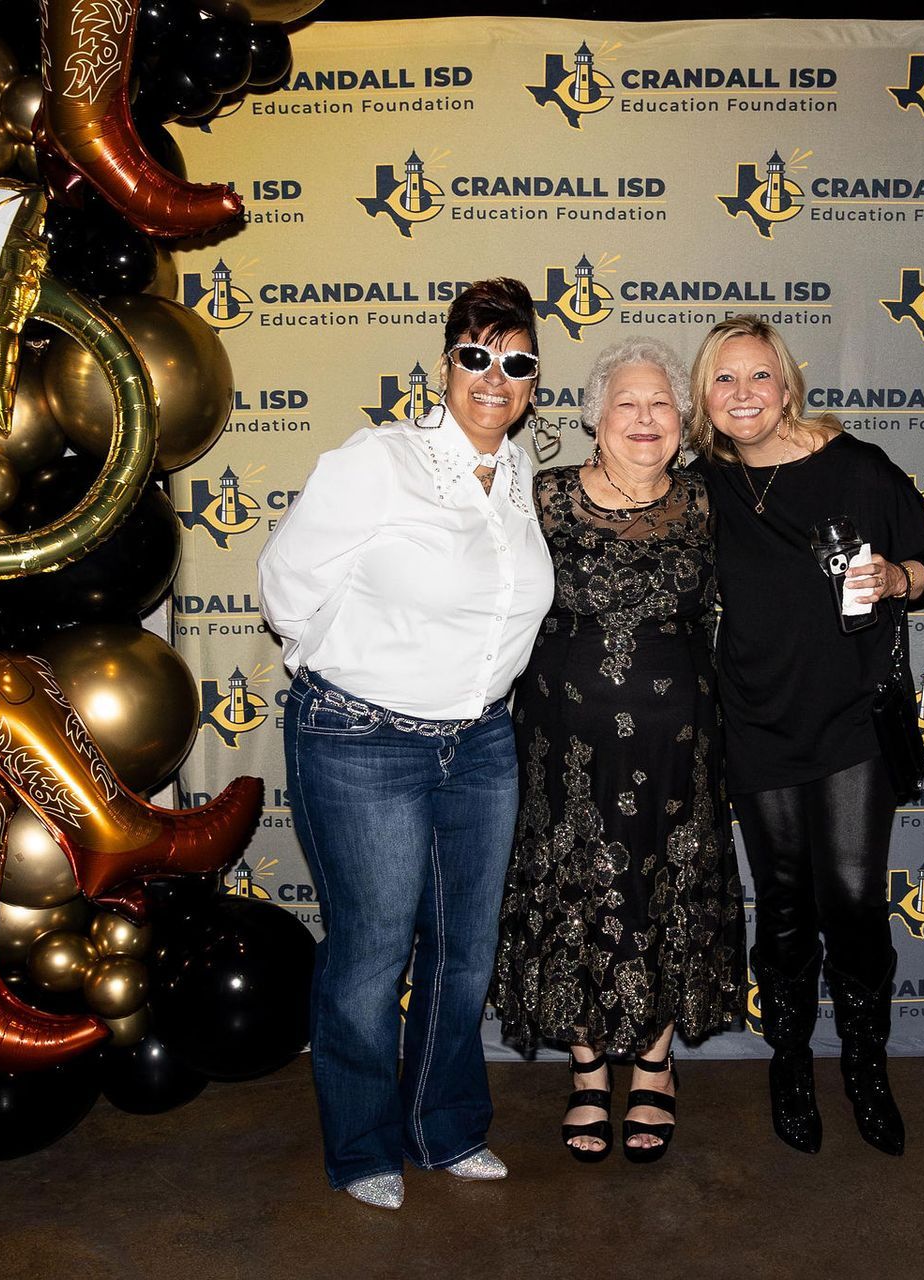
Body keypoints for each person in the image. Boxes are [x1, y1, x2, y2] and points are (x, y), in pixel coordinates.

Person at [257, 278, 555, 1211]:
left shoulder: (519, 475)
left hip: (482, 744)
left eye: (516, 362)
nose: (494, 377)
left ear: (533, 380)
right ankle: (361, 1147)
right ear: (444, 365)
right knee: (373, 951)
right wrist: (345, 670)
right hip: (363, 741)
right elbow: (284, 585)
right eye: (476, 355)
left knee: (465, 953)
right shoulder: (378, 462)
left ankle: (446, 1127)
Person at [687, 315, 924, 1157]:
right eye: (724, 379)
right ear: (703, 396)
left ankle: (867, 1067)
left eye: (758, 376)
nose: (743, 394)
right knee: (784, 904)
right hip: (755, 720)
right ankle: (791, 1064)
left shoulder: (856, 466)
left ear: (787, 385)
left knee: (853, 900)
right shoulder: (703, 486)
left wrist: (898, 577)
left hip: (847, 722)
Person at [492, 336, 743, 1165]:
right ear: (595, 420)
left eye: (661, 403)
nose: (644, 418)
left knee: (667, 890)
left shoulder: (709, 501)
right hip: (563, 749)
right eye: (626, 404)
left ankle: (656, 1065)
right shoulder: (542, 498)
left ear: (684, 420)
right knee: (574, 889)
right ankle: (589, 1068)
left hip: (680, 748)